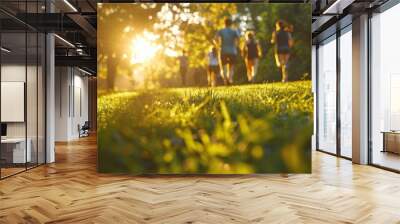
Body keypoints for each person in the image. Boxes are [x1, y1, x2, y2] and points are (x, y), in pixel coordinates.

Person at [214, 18, 240, 85]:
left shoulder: (221, 31)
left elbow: (215, 38)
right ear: (231, 24)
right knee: (231, 66)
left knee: (224, 66)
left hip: (223, 50)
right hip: (232, 51)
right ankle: (230, 78)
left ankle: (226, 79)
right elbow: (238, 39)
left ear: (224, 23)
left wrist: (218, 45)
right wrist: (236, 45)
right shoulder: (234, 31)